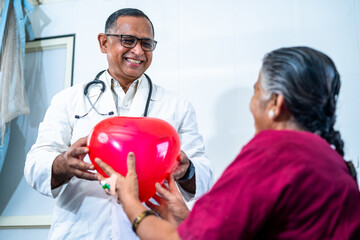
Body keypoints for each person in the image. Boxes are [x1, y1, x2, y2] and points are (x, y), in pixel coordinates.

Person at [95, 46, 360, 239]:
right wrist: (185, 219)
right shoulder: (333, 162)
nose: (251, 104)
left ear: (276, 104)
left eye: (256, 91)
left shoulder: (273, 154)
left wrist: (130, 199)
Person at [24, 8, 214, 239]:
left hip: (146, 231)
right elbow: (34, 164)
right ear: (104, 43)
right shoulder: (69, 99)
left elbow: (203, 172)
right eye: (128, 40)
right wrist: (62, 164)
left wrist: (188, 170)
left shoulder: (176, 106)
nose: (138, 50)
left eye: (146, 43)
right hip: (81, 231)